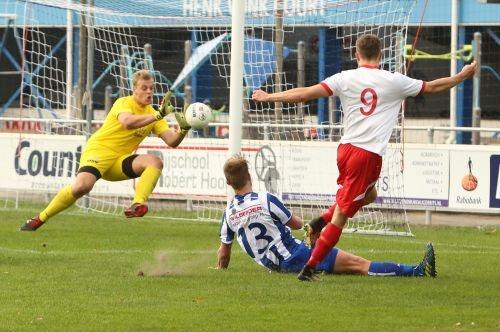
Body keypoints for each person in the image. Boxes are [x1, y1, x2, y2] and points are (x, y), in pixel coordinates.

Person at [252, 34, 476, 281]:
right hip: (366, 156)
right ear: (381, 55)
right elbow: (433, 86)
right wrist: (462, 75)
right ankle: (310, 268)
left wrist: (269, 96)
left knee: (370, 195)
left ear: (356, 55)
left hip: (346, 150)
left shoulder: (344, 77)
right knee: (342, 217)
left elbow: (305, 94)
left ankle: (318, 223)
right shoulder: (393, 80)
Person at [21, 70, 192, 231]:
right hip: (99, 151)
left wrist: (184, 129)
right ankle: (40, 218)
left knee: (155, 162)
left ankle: (137, 204)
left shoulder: (154, 113)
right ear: (134, 89)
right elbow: (127, 122)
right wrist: (157, 116)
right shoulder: (124, 103)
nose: (149, 92)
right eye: (144, 88)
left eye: (151, 88)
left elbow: (172, 141)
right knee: (82, 186)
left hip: (119, 161)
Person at [216, 155, 436, 279]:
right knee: (359, 265)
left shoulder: (228, 214)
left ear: (229, 183)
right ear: (250, 176)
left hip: (275, 264)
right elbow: (296, 224)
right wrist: (311, 230)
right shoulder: (265, 199)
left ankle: (353, 202)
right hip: (295, 256)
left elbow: (224, 253)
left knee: (336, 219)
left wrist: (219, 270)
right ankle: (416, 271)